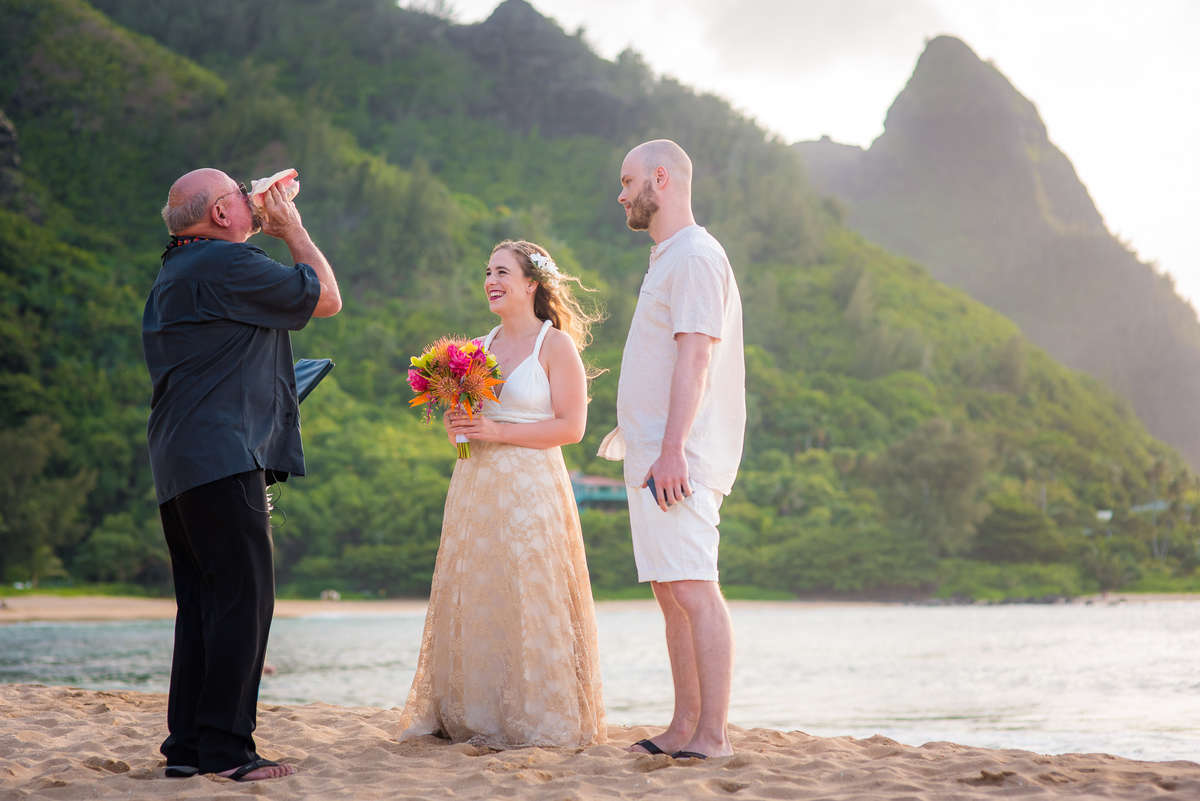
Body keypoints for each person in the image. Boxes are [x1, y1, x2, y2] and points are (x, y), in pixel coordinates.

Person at [142, 168, 341, 781]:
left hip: (180, 458)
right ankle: (229, 752)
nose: (251, 201)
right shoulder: (225, 265)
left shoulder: (178, 272)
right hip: (224, 454)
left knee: (203, 604)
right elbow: (325, 297)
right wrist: (293, 229)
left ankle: (187, 750)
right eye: (239, 195)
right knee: (244, 603)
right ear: (221, 215)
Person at [398, 240, 605, 748]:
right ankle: (474, 714)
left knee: (529, 592)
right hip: (477, 486)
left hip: (533, 487)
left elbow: (572, 428)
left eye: (502, 272)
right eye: (488, 271)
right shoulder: (476, 347)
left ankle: (536, 718)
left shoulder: (555, 346)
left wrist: (496, 432)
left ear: (532, 283)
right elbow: (467, 429)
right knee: (479, 589)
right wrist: (459, 425)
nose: (491, 280)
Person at [598, 139, 745, 759]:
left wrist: (674, 449)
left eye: (629, 180)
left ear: (662, 177)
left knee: (693, 586)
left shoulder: (694, 256)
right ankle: (683, 726)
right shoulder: (668, 257)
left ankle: (711, 735)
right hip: (655, 455)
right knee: (669, 589)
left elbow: (696, 354)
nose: (623, 193)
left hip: (676, 458)